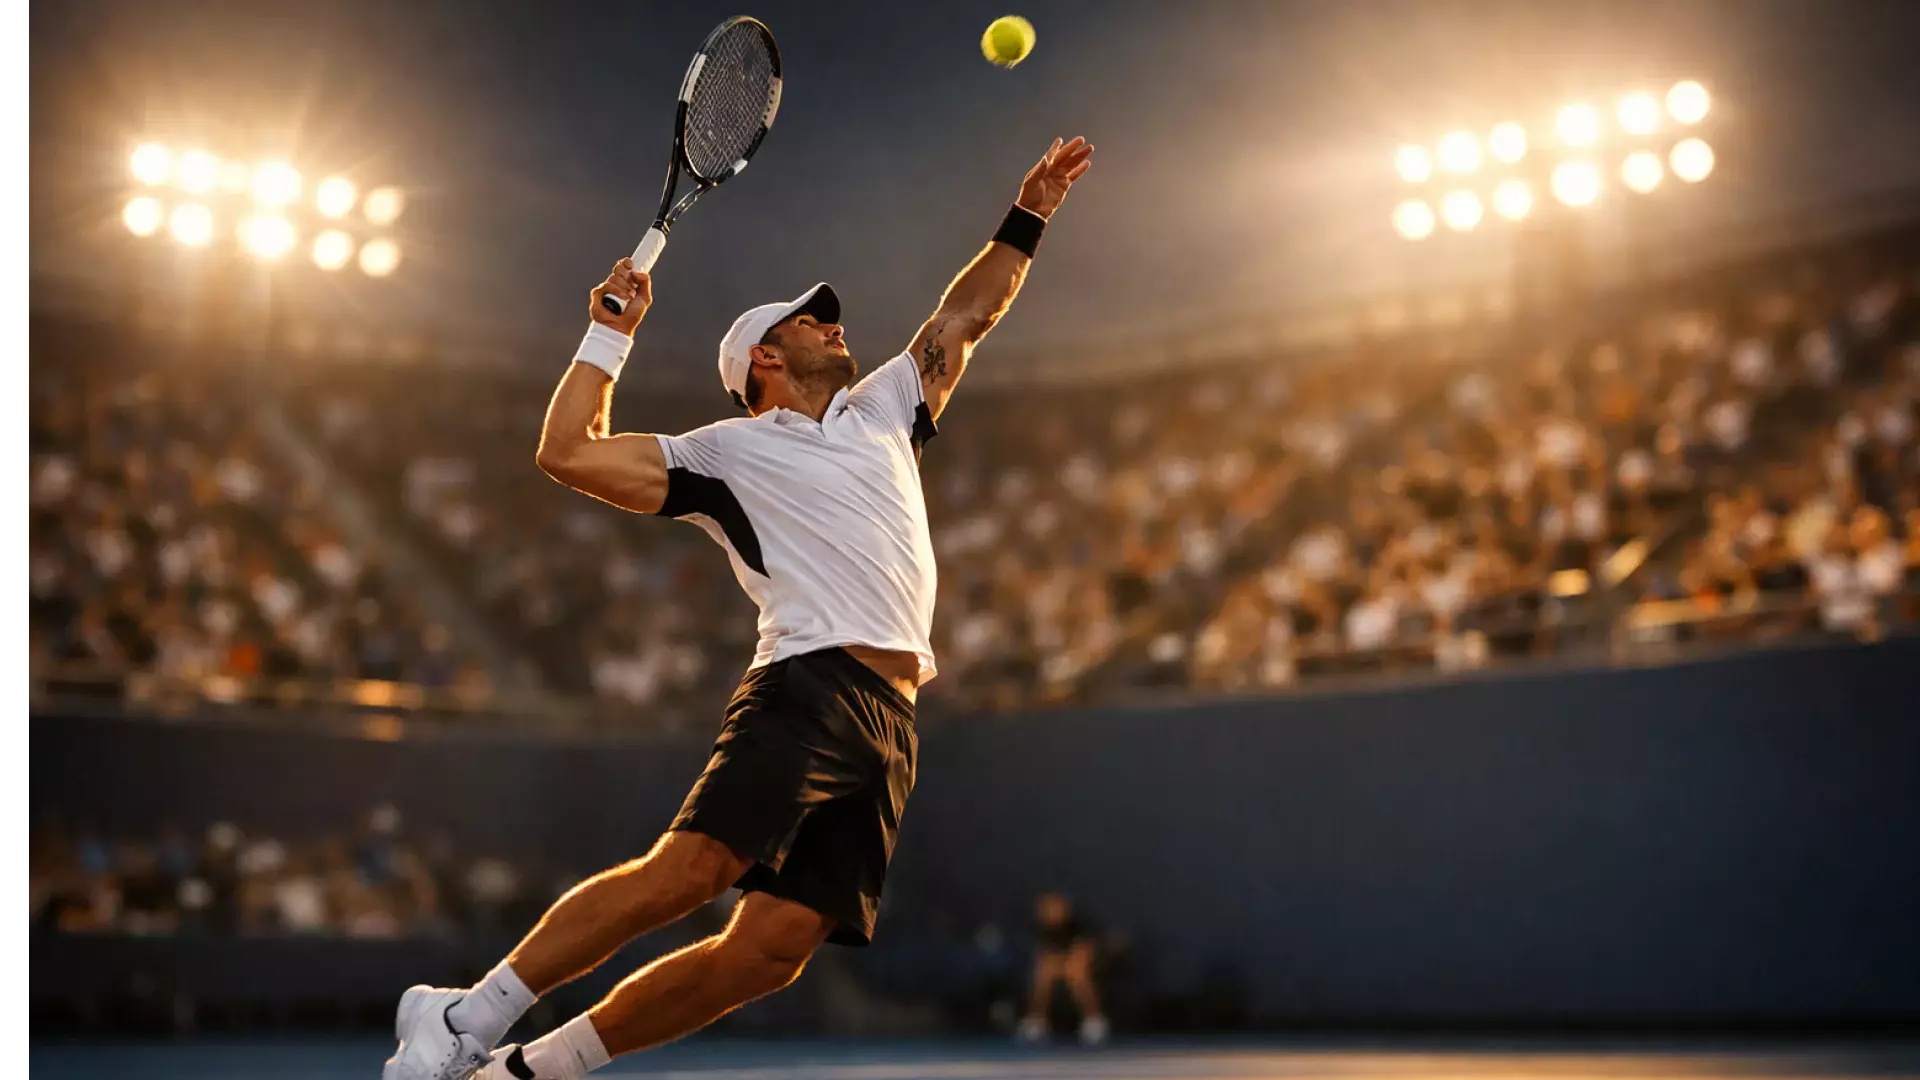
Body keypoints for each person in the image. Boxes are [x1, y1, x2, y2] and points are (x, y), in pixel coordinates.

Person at [384, 136, 1094, 1080]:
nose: (834, 326)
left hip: (894, 720)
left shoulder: (885, 406)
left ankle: (525, 1073)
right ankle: (461, 1016)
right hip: (809, 683)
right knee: (692, 872)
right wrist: (609, 335)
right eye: (811, 321)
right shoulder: (722, 451)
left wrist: (1029, 213)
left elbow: (967, 315)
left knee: (771, 952)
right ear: (764, 355)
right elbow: (567, 451)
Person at [1017, 891, 1110, 1047]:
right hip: (1057, 968)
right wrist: (1056, 966)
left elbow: (1085, 953)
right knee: (1043, 974)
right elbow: (1043, 955)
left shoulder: (1080, 927)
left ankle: (1093, 1021)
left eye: (1055, 908)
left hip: (1086, 967)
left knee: (1078, 975)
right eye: (1047, 909)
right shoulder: (1041, 929)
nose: (1051, 913)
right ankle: (1035, 1020)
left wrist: (1068, 965)